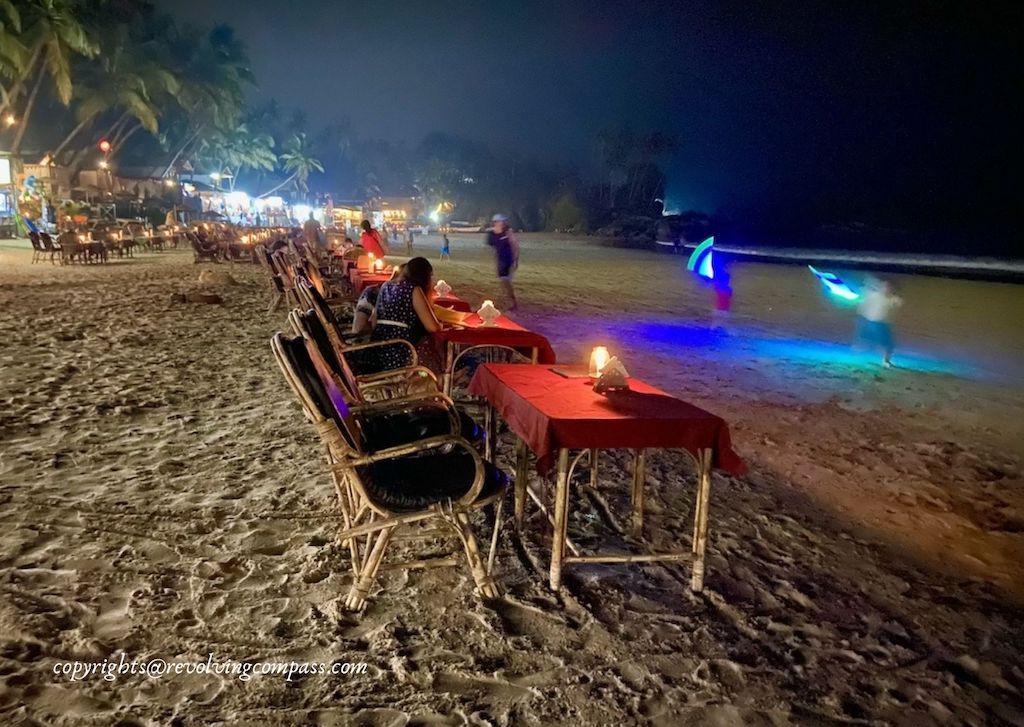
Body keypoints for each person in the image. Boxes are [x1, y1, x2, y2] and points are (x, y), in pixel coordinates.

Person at [368, 257, 442, 372]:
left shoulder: (386, 286)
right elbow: (432, 327)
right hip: (400, 351)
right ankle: (439, 377)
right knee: (429, 343)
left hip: (376, 349)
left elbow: (373, 321)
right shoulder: (413, 289)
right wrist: (440, 325)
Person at [855, 277, 902, 367]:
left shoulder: (891, 299)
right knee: (879, 341)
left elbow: (897, 303)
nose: (887, 288)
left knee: (890, 344)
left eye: (889, 287)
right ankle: (865, 349)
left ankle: (886, 360)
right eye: (886, 286)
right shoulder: (875, 296)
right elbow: (863, 297)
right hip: (873, 322)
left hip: (882, 323)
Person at [485, 214, 520, 311]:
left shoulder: (507, 232)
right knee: (503, 281)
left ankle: (512, 302)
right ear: (496, 222)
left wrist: (515, 260)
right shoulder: (492, 234)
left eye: (503, 221)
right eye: (501, 221)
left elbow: (515, 245)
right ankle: (509, 301)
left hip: (508, 260)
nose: (503, 223)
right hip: (500, 260)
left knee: (505, 281)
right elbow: (491, 247)